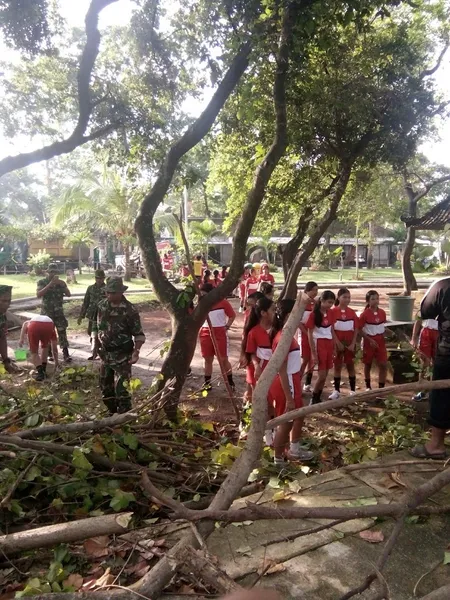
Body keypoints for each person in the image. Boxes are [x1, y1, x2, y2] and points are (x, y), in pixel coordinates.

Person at [270, 299, 314, 466]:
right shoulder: (283, 337)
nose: (302, 316)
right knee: (287, 421)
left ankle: (294, 449)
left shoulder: (288, 334)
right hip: (285, 383)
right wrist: (289, 396)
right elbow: (281, 369)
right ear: (289, 315)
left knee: (299, 413)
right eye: (298, 312)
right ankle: (278, 460)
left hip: (292, 380)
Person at [92, 277, 146, 414]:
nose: (108, 295)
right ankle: (111, 413)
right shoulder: (102, 306)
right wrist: (95, 341)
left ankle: (124, 419)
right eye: (107, 292)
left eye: (112, 292)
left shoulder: (130, 310)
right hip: (105, 355)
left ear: (120, 293)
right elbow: (96, 325)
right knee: (106, 388)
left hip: (123, 355)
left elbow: (138, 334)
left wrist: (136, 352)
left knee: (122, 391)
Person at [410, 277, 450, 459]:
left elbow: (425, 311)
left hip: (448, 354)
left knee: (441, 395)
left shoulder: (442, 286)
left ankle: (435, 446)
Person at [243, 297, 275, 444]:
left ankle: (271, 427)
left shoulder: (277, 329)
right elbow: (252, 352)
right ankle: (261, 429)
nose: (275, 312)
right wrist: (256, 366)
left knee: (273, 399)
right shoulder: (254, 331)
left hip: (274, 368)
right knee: (261, 399)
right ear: (263, 313)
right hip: (259, 369)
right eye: (273, 310)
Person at [199, 283, 236, 391]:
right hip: (205, 332)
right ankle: (207, 383)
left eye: (205, 294)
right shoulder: (202, 304)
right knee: (207, 359)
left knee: (223, 359)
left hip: (220, 332)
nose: (203, 296)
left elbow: (232, 315)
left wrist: (227, 326)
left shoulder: (223, 302)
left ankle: (230, 382)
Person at [37, 263, 72, 363]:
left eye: (55, 272)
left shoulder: (61, 283)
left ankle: (66, 354)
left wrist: (63, 286)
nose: (53, 274)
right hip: (46, 314)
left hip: (59, 313)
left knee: (62, 332)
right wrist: (49, 285)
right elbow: (38, 294)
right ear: (48, 272)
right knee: (46, 333)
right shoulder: (42, 282)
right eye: (51, 272)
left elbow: (69, 295)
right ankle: (49, 353)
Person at [307, 290, 337, 404]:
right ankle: (313, 397)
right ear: (322, 301)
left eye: (332, 303)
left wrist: (334, 347)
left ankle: (317, 397)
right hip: (319, 344)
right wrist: (313, 352)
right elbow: (310, 333)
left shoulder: (331, 313)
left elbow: (332, 330)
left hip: (328, 344)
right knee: (321, 375)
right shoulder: (314, 315)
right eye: (329, 302)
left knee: (325, 375)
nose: (330, 305)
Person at [329, 288, 359, 399]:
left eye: (348, 297)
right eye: (344, 297)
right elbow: (331, 328)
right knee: (337, 366)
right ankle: (336, 391)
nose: (347, 299)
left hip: (349, 342)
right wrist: (337, 342)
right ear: (339, 297)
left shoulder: (352, 312)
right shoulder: (333, 311)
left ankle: (352, 390)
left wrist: (353, 343)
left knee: (350, 365)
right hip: (338, 343)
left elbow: (356, 328)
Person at [359, 289, 388, 391]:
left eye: (377, 298)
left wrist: (388, 332)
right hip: (369, 341)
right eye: (372, 299)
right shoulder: (364, 314)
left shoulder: (382, 313)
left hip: (380, 341)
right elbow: (359, 330)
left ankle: (381, 388)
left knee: (383, 364)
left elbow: (381, 326)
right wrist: (369, 340)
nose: (375, 301)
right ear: (368, 301)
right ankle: (368, 386)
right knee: (368, 363)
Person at [77, 269, 106, 360]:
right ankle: (95, 351)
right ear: (95, 278)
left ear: (104, 278)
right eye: (98, 278)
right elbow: (86, 302)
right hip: (92, 314)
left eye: (101, 278)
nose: (99, 280)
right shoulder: (90, 288)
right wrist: (81, 316)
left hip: (103, 315)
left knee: (102, 333)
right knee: (91, 332)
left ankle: (100, 352)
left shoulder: (107, 288)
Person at [19, 315, 59, 380]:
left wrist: (21, 339)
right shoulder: (52, 330)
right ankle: (43, 370)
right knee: (45, 347)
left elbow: (25, 324)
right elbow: (54, 348)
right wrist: (56, 362)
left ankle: (40, 374)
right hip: (49, 325)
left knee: (34, 352)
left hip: (34, 326)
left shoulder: (30, 323)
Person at [411, 315, 439, 402]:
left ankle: (435, 391)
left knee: (438, 363)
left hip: (441, 332)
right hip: (426, 332)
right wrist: (414, 337)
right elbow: (419, 319)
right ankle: (422, 391)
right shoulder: (426, 301)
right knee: (424, 364)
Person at [298, 281, 319, 392]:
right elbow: (298, 322)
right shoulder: (302, 303)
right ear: (307, 290)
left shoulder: (315, 303)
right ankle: (298, 381)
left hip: (313, 334)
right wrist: (306, 333)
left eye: (317, 290)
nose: (316, 292)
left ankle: (307, 383)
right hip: (304, 335)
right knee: (305, 359)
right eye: (314, 289)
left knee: (312, 359)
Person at [0, 285, 20, 374]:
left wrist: (6, 361)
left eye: (9, 301)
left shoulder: (2, 316)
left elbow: (2, 338)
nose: (7, 304)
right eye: (4, 301)